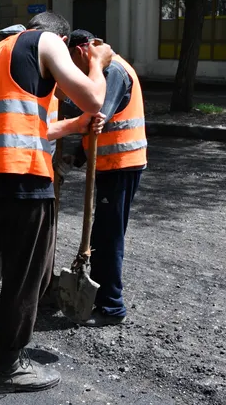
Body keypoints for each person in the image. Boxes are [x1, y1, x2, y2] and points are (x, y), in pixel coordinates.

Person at [0, 11, 114, 394]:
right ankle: (10, 365)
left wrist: (77, 125)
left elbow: (37, 127)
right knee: (27, 274)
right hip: (24, 177)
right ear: (61, 42)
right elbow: (95, 97)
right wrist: (97, 62)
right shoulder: (46, 43)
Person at [63, 29, 147, 327]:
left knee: (107, 237)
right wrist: (80, 155)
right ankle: (102, 299)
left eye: (72, 60)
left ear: (85, 49)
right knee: (103, 233)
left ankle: (112, 307)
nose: (71, 67)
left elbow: (96, 113)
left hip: (121, 164)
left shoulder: (112, 70)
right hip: (111, 163)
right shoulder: (105, 71)